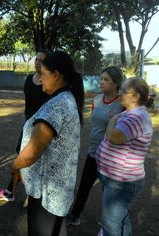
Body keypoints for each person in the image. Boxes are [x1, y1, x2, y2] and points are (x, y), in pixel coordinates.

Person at [11, 51, 85, 235]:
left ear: (56, 75)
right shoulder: (67, 98)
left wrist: (15, 167)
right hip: (59, 188)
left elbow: (32, 153)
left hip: (47, 190)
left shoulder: (56, 106)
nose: (40, 80)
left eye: (43, 75)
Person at [66, 66, 124, 226]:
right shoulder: (97, 99)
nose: (101, 83)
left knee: (109, 193)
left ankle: (109, 224)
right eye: (101, 79)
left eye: (106, 80)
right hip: (93, 152)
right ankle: (74, 215)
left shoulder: (121, 104)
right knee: (84, 187)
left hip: (111, 157)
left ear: (116, 83)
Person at [96, 77, 153, 236]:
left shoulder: (137, 117)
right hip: (114, 178)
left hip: (121, 182)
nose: (120, 93)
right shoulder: (131, 113)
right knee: (121, 218)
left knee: (111, 223)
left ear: (135, 96)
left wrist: (112, 120)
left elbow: (113, 137)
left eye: (124, 91)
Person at [0, 50, 50, 202]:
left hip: (42, 129)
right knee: (21, 156)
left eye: (41, 60)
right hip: (27, 125)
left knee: (33, 160)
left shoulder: (49, 82)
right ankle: (10, 191)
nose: (37, 62)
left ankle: (27, 194)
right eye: (36, 59)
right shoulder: (29, 79)